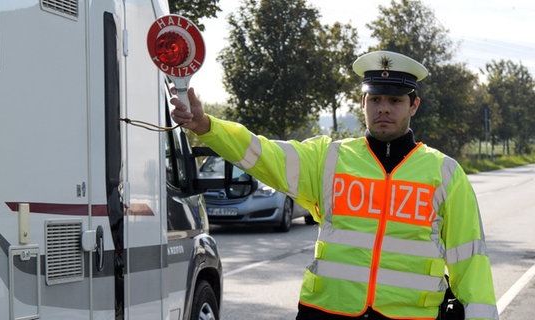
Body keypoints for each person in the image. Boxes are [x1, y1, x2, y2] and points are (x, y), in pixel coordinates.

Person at [170, 50, 499, 320]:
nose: (384, 108)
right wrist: (206, 126)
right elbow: (261, 152)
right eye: (376, 99)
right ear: (363, 103)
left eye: (395, 101)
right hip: (327, 313)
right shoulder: (328, 157)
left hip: (412, 318)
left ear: (414, 105)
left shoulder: (445, 173)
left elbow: (471, 263)